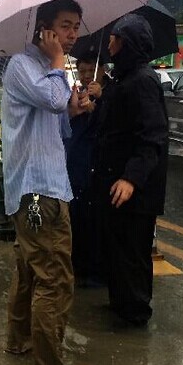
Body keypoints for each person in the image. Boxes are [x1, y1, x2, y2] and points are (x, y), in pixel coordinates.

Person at [1, 0, 81, 365]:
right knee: (56, 278)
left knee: (31, 272)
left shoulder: (43, 69)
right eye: (65, 26)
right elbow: (51, 100)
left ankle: (20, 342)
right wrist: (57, 65)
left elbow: (57, 123)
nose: (72, 34)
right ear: (44, 29)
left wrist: (75, 108)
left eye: (76, 27)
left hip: (41, 187)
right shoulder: (24, 65)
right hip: (39, 191)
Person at [92, 13, 169, 327]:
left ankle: (135, 314)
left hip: (134, 191)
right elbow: (113, 126)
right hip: (115, 184)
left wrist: (130, 178)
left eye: (114, 37)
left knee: (133, 253)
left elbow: (152, 136)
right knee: (117, 251)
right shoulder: (122, 79)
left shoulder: (143, 81)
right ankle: (121, 304)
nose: (109, 43)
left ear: (128, 42)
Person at [65, 51, 107, 288]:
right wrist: (75, 110)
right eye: (82, 71)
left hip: (97, 167)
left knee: (95, 222)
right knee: (76, 219)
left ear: (102, 69)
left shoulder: (108, 94)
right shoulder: (77, 94)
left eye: (91, 70)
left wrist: (99, 106)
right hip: (76, 166)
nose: (86, 75)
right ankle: (78, 266)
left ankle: (96, 272)